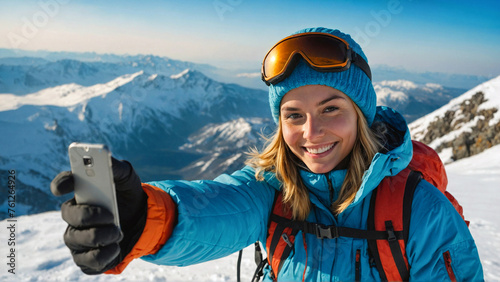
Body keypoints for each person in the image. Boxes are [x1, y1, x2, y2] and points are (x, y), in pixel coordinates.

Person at [51, 27, 484, 281]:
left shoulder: (420, 210)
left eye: (330, 109)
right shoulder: (273, 191)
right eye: (293, 115)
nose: (310, 133)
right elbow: (213, 209)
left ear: (362, 116)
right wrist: (141, 218)